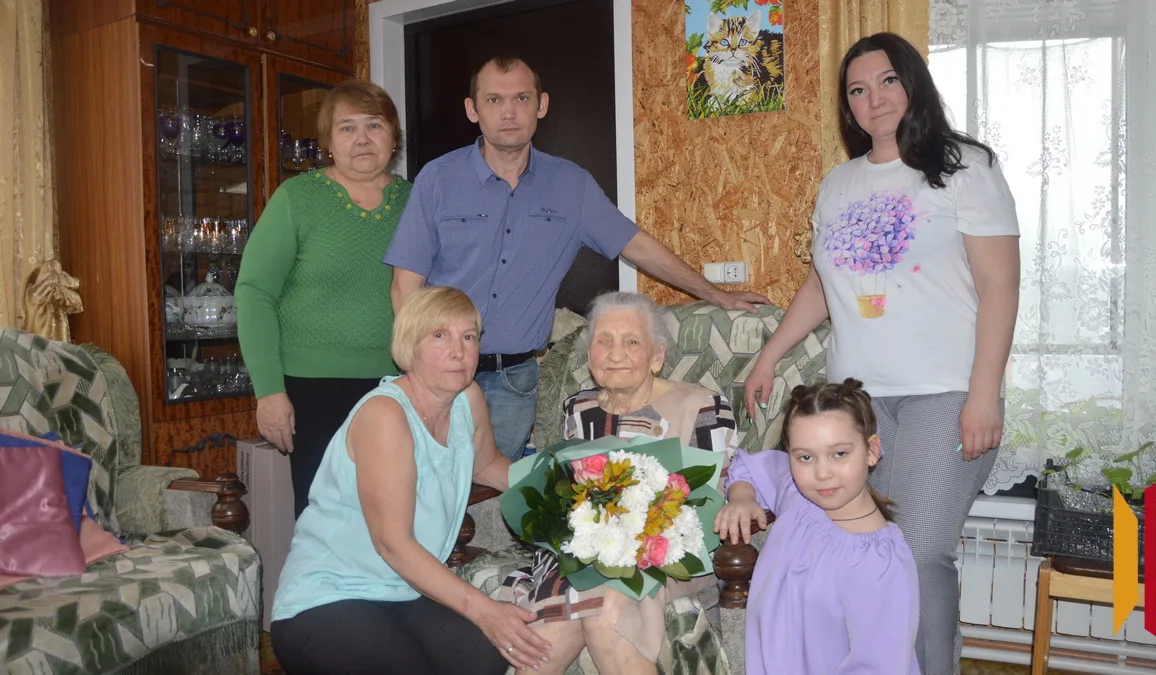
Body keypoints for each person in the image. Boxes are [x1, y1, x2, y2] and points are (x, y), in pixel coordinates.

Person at [741, 33, 1020, 674]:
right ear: (848, 106)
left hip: (944, 390)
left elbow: (1000, 285)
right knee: (869, 549)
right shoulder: (839, 182)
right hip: (859, 402)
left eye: (889, 81)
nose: (876, 99)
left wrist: (984, 394)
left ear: (914, 83)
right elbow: (823, 284)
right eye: (858, 90)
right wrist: (770, 356)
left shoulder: (965, 166)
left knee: (919, 554)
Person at [383, 55, 766, 463]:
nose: (509, 112)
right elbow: (404, 288)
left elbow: (637, 245)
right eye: (494, 100)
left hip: (512, 382)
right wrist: (420, 369)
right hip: (439, 373)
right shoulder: (438, 179)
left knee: (490, 492)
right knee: (423, 481)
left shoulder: (572, 186)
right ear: (472, 109)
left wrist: (715, 294)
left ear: (542, 105)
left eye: (522, 98)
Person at [269, 287, 552, 675]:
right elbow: (393, 544)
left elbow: (486, 464)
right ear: (409, 346)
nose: (458, 351)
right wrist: (486, 610)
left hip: (404, 590)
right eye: (440, 336)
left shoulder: (467, 398)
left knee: (484, 659)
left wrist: (565, 489)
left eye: (468, 337)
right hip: (327, 595)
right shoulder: (385, 415)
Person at [496, 291, 736, 675]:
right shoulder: (579, 408)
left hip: (667, 556)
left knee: (604, 606)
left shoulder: (704, 406)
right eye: (603, 341)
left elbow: (712, 507)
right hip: (582, 551)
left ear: (657, 356)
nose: (615, 353)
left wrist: (634, 541)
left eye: (632, 342)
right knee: (559, 619)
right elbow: (565, 490)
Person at [235, 80, 413, 518]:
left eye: (374, 125)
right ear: (329, 142)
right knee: (324, 520)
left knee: (396, 516)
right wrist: (269, 392)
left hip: (398, 386)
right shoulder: (298, 198)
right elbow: (255, 293)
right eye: (347, 127)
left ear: (393, 136)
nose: (362, 138)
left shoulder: (417, 202)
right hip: (311, 390)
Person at [716, 379, 920, 674]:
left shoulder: (880, 565)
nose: (822, 473)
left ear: (872, 450)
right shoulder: (797, 496)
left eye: (840, 453)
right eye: (805, 457)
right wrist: (742, 497)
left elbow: (879, 665)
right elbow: (748, 466)